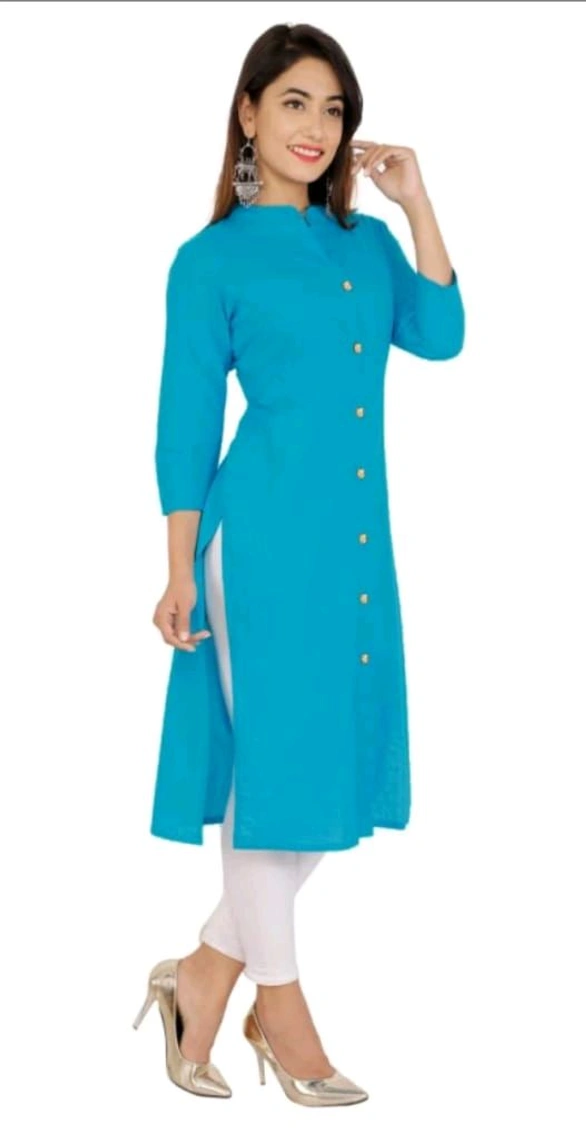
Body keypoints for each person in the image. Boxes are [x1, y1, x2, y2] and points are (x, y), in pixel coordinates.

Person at [133, 22, 465, 1108]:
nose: (316, 128)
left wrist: (415, 203)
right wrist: (178, 569)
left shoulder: (363, 247)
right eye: (293, 103)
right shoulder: (211, 260)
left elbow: (442, 333)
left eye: (333, 109)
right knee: (276, 782)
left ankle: (201, 976)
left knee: (323, 779)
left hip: (355, 545)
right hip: (260, 547)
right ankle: (283, 1011)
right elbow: (186, 425)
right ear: (247, 113)